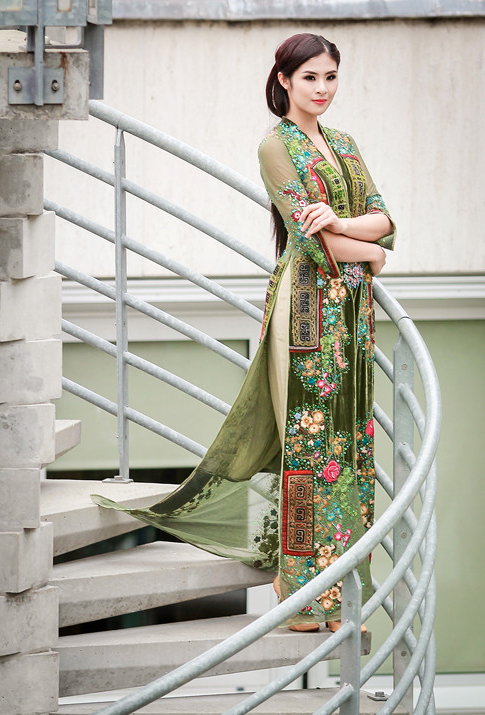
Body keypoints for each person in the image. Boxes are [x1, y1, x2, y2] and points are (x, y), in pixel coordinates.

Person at [93, 32, 395, 632]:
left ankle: (336, 588)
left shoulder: (343, 143)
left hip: (352, 316)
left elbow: (387, 221)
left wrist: (350, 228)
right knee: (311, 450)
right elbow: (316, 241)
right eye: (310, 77)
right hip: (306, 311)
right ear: (284, 80)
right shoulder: (275, 146)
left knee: (350, 447)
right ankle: (303, 589)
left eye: (331, 77)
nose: (322, 89)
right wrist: (369, 249)